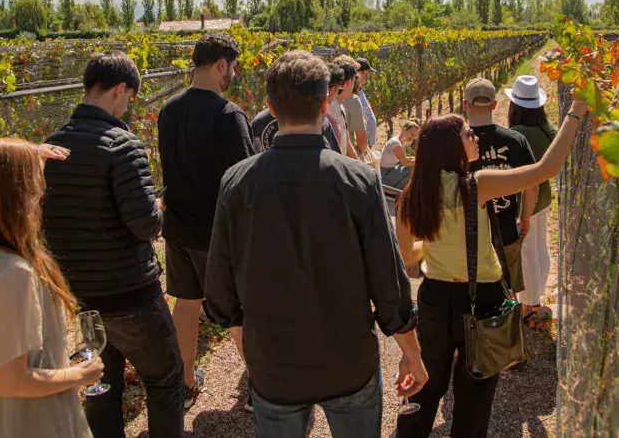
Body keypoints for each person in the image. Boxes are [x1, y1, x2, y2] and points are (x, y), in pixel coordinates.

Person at [205, 51, 427, 437]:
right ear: (326, 104)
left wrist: (246, 344)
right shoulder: (358, 180)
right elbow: (388, 280)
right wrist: (412, 352)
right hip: (348, 362)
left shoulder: (236, 182)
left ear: (271, 107)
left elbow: (219, 287)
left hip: (274, 365)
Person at [394, 98, 588, 437]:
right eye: (468, 135)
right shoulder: (477, 184)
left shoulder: (410, 196)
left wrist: (438, 244)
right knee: (475, 394)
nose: (476, 139)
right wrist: (574, 113)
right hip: (482, 299)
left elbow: (409, 254)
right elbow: (545, 170)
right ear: (452, 146)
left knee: (426, 385)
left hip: (434, 300)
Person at [42, 50, 184, 438]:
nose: (127, 107)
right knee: (165, 380)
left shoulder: (51, 146)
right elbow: (144, 225)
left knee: (102, 387)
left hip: (83, 298)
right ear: (120, 89)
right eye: (130, 98)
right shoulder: (122, 145)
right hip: (130, 293)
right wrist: (158, 205)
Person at [0, 138, 102, 438]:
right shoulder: (13, 274)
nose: (40, 192)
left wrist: (27, 156)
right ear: (20, 195)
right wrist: (78, 374)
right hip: (23, 421)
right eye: (35, 184)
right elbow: (12, 381)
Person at [157, 32, 255, 411]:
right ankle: (262, 387)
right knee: (237, 311)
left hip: (177, 229)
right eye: (233, 67)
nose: (234, 74)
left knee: (186, 302)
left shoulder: (168, 110)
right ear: (220, 65)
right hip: (216, 233)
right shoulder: (227, 115)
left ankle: (185, 382)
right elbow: (245, 180)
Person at [463, 77, 538, 306]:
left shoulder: (458, 144)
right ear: (495, 105)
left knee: (470, 290)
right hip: (505, 228)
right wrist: (525, 218)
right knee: (507, 289)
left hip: (467, 232)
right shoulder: (515, 140)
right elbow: (532, 185)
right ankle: (508, 325)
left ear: (465, 105)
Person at [507, 75, 558, 319]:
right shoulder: (548, 129)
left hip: (523, 200)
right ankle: (537, 298)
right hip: (544, 195)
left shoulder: (516, 134)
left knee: (526, 253)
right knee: (540, 246)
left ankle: (529, 305)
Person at [335, 55, 369, 159]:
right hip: (347, 158)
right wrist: (358, 156)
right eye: (355, 77)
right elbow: (361, 137)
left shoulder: (325, 97)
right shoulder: (353, 100)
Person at [379, 119, 419, 190]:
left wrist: (415, 159)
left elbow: (404, 159)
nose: (413, 137)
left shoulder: (402, 142)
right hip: (384, 175)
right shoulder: (396, 143)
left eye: (415, 136)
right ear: (404, 129)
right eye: (412, 134)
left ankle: (403, 189)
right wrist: (420, 161)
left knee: (413, 163)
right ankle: (400, 191)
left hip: (390, 172)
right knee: (411, 168)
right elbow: (405, 163)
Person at [355, 57, 378, 148]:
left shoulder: (359, 89)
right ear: (364, 72)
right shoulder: (353, 92)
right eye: (368, 72)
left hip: (366, 143)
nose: (368, 76)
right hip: (361, 144)